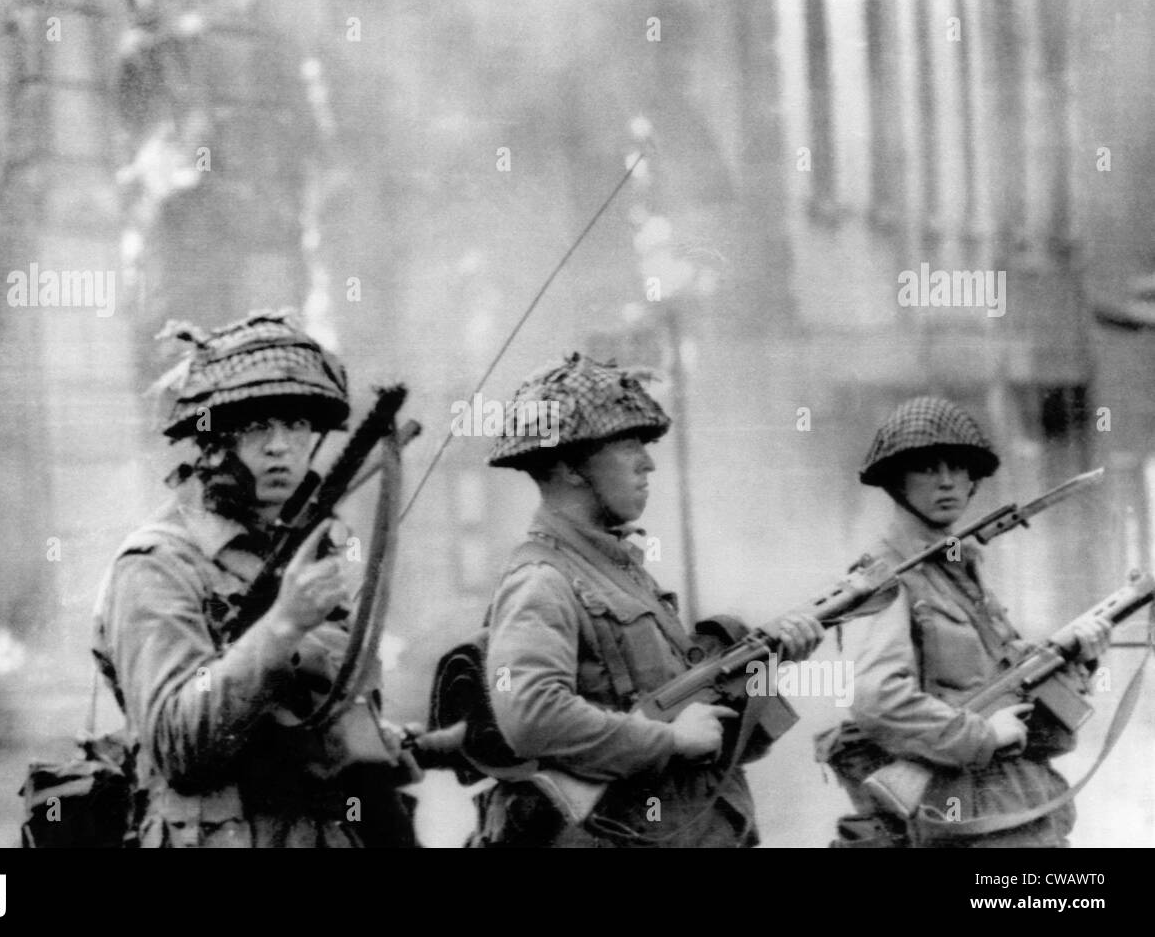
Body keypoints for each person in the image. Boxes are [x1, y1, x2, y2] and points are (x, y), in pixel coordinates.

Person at [471, 353, 824, 847]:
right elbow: (532, 716)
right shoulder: (542, 580)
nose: (648, 461)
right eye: (628, 444)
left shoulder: (619, 570)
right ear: (570, 464)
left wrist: (770, 664)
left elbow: (701, 726)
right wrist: (670, 740)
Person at [92, 309, 412, 848]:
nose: (281, 446)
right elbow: (178, 747)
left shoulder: (299, 552)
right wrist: (281, 628)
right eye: (259, 426)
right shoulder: (156, 565)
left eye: (296, 425)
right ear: (213, 441)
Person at [818, 396, 1112, 848]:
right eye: (929, 469)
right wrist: (980, 735)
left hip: (1016, 812)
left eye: (958, 469)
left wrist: (1078, 662)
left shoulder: (957, 571)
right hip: (961, 818)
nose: (948, 483)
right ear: (897, 480)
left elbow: (1036, 728)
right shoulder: (885, 578)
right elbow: (876, 698)